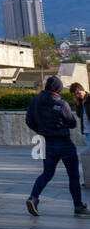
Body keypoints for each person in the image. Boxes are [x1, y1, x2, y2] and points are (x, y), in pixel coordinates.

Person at [24, 76, 89, 216]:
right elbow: (72, 123)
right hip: (63, 143)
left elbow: (29, 121)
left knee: (47, 173)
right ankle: (78, 206)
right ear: (58, 89)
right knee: (73, 176)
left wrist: (41, 130)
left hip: (45, 142)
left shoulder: (35, 101)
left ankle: (33, 198)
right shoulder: (61, 104)